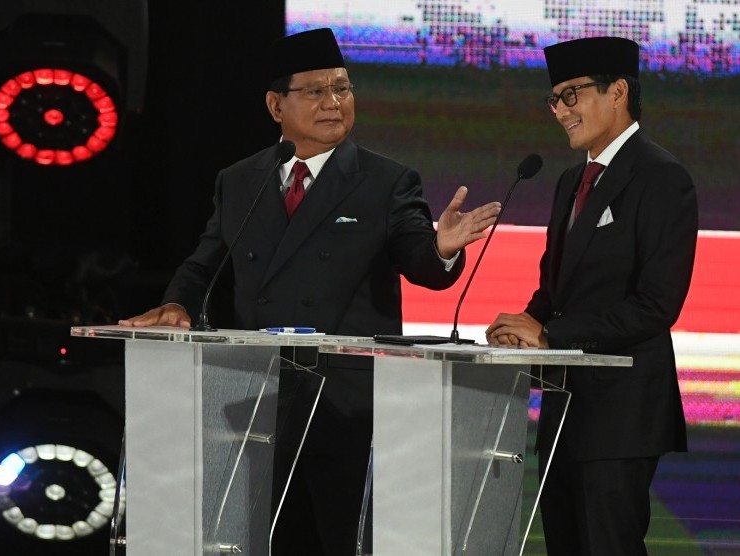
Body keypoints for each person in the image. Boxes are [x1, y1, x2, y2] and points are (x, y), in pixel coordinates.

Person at [120, 28, 500, 555]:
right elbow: (207, 263)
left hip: (346, 408)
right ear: (276, 105)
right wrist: (178, 304)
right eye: (315, 91)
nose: (333, 103)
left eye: (342, 89)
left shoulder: (385, 181)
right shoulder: (241, 179)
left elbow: (423, 264)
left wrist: (443, 248)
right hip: (256, 404)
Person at [485, 37, 697, 555]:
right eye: (555, 99)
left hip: (622, 415)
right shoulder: (569, 181)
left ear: (618, 91)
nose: (561, 111)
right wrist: (521, 324)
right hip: (564, 408)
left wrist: (552, 333)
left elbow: (656, 305)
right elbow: (555, 289)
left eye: (571, 95)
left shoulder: (663, 178)